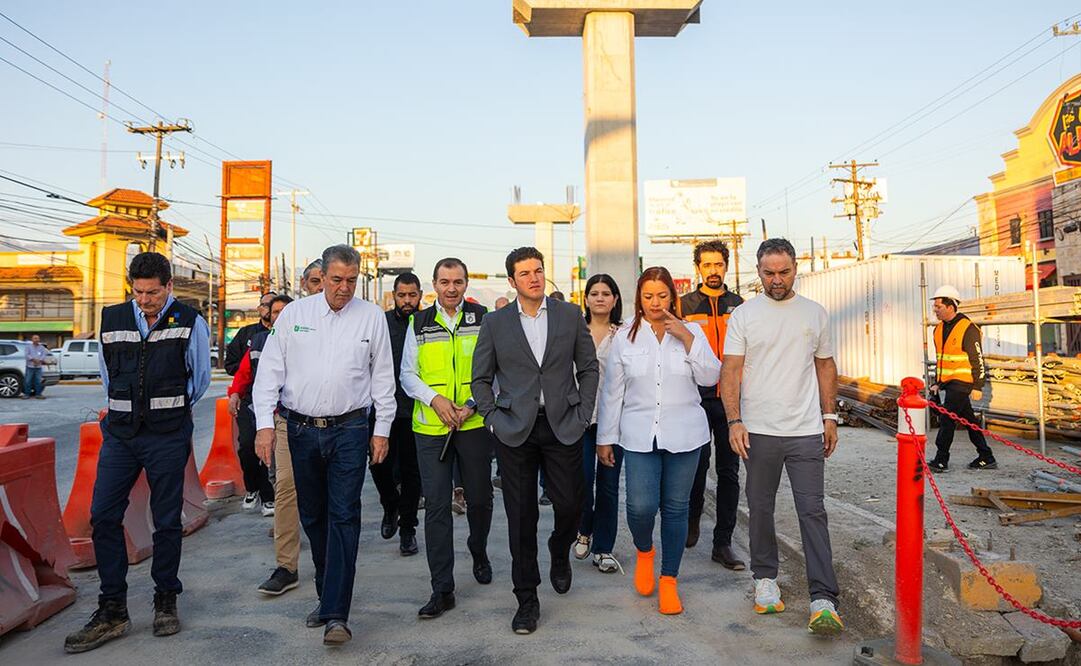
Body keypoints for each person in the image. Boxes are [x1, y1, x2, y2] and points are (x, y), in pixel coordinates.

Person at [64, 252, 211, 653]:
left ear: (168, 287)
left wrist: (169, 412)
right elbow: (107, 375)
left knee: (166, 520)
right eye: (139, 292)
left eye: (153, 293)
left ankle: (166, 600)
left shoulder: (190, 321)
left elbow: (198, 380)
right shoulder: (112, 319)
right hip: (122, 435)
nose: (145, 300)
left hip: (168, 435)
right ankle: (112, 609)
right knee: (103, 515)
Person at [251, 244, 395, 647]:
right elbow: (269, 374)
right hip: (299, 430)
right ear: (321, 277)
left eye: (351, 281)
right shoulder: (295, 315)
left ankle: (336, 614)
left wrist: (381, 427)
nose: (343, 288)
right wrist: (264, 426)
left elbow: (382, 375)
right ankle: (325, 594)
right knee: (313, 516)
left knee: (344, 514)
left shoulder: (370, 318)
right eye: (336, 280)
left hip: (350, 429)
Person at [472, 246, 598, 635]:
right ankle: (527, 599)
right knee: (521, 517)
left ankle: (559, 551)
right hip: (514, 431)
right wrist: (492, 417)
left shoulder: (569, 314)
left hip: (563, 426)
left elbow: (589, 367)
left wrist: (582, 415)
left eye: (539, 270)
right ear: (512, 281)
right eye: (525, 273)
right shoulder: (495, 323)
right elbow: (480, 379)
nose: (534, 278)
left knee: (570, 505)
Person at [721, 238, 843, 636]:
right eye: (769, 272)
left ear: (796, 268)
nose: (777, 280)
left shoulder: (814, 314)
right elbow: (731, 371)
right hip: (757, 432)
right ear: (758, 271)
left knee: (813, 511)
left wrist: (829, 416)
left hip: (806, 430)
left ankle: (823, 598)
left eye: (784, 272)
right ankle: (765, 580)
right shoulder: (744, 315)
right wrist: (734, 421)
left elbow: (825, 366)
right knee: (760, 508)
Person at [597, 267, 720, 615]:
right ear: (639, 298)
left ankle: (669, 580)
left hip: (686, 434)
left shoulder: (691, 331)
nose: (655, 303)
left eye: (662, 296)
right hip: (638, 435)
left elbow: (711, 375)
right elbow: (611, 393)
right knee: (640, 506)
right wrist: (605, 439)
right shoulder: (625, 337)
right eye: (648, 296)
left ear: (672, 296)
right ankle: (645, 551)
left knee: (676, 509)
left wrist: (687, 338)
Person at [401, 258, 495, 619]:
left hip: (472, 425)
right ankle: (442, 588)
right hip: (431, 428)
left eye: (458, 281)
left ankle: (479, 548)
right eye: (444, 282)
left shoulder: (483, 318)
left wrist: (473, 403)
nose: (451, 288)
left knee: (481, 499)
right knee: (437, 507)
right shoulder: (419, 322)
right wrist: (436, 400)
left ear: (467, 283)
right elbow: (408, 374)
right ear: (434, 285)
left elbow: (494, 368)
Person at [226, 294, 305, 595]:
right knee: (283, 482)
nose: (280, 316)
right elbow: (247, 376)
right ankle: (286, 564)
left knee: (309, 485)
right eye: (274, 312)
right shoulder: (259, 341)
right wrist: (236, 395)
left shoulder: (307, 340)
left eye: (285, 311)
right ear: (268, 317)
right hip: (274, 418)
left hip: (307, 420)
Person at [681, 240, 746, 570]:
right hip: (695, 401)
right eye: (706, 265)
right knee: (695, 466)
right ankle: (691, 521)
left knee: (729, 473)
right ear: (698, 269)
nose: (713, 270)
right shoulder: (685, 305)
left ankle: (723, 543)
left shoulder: (741, 306)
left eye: (718, 264)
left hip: (730, 402)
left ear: (726, 266)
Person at [572, 274, 625, 574]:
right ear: (587, 299)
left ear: (615, 299)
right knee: (580, 483)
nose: (600, 298)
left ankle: (603, 548)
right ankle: (583, 529)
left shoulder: (625, 335)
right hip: (580, 419)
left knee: (608, 486)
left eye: (607, 293)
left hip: (613, 421)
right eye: (594, 293)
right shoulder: (574, 332)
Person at [371, 272, 423, 556]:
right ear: (394, 295)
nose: (407, 300)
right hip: (382, 409)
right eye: (402, 295)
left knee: (411, 473)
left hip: (416, 410)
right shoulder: (381, 322)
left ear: (420, 295)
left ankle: (408, 529)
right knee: (378, 465)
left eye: (412, 295)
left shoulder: (426, 323)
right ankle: (390, 504)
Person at [927, 285, 996, 471]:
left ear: (951, 306)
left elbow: (978, 359)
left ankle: (941, 460)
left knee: (947, 420)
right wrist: (937, 383)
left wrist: (978, 386)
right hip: (948, 383)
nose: (935, 310)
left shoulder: (968, 328)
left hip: (962, 383)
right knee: (969, 421)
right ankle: (986, 455)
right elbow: (942, 359)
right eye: (934, 306)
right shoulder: (938, 329)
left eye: (938, 306)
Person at [225, 291, 277, 512]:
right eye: (268, 307)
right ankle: (253, 487)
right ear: (261, 309)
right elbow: (239, 369)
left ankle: (269, 497)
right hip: (251, 401)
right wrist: (237, 392)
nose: (272, 312)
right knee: (248, 447)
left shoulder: (294, 334)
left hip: (282, 405)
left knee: (273, 454)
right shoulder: (252, 337)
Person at [22, 334, 50, 399]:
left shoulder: (42, 347)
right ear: (32, 339)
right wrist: (33, 360)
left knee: (38, 381)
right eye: (35, 338)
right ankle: (27, 394)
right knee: (28, 381)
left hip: (38, 367)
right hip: (30, 367)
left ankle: (38, 394)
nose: (36, 340)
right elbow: (27, 355)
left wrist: (39, 360)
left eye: (37, 338)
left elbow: (43, 355)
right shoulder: (28, 347)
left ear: (39, 339)